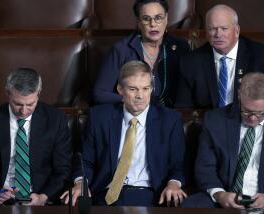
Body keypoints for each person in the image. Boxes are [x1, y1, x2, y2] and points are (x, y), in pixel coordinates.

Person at [61, 60, 187, 206]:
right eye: (133, 89)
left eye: (145, 88)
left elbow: (179, 164)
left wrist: (174, 184)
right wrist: (81, 183)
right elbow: (85, 161)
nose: (140, 96)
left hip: (150, 195)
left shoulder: (170, 120)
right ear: (120, 90)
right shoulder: (99, 117)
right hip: (105, 194)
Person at [0, 68, 72, 205]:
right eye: (17, 104)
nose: (23, 111)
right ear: (7, 93)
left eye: (30, 104)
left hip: (40, 199)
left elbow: (63, 170)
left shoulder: (56, 121)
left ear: (38, 94)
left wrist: (44, 197)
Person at [182, 72, 264, 209]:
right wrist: (219, 194)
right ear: (238, 95)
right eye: (247, 111)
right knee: (193, 205)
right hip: (224, 195)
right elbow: (205, 167)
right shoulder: (215, 120)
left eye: (260, 113)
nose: (253, 118)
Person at [93, 0, 190, 107]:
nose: (152, 24)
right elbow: (99, 94)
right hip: (132, 114)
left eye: (158, 18)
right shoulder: (121, 49)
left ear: (166, 19)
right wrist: (134, 100)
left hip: (169, 115)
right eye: (146, 19)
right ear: (138, 22)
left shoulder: (180, 47)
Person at [175, 4, 264, 109]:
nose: (218, 34)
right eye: (212, 29)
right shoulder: (190, 62)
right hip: (208, 122)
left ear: (236, 31)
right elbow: (183, 108)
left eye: (224, 28)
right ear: (206, 32)